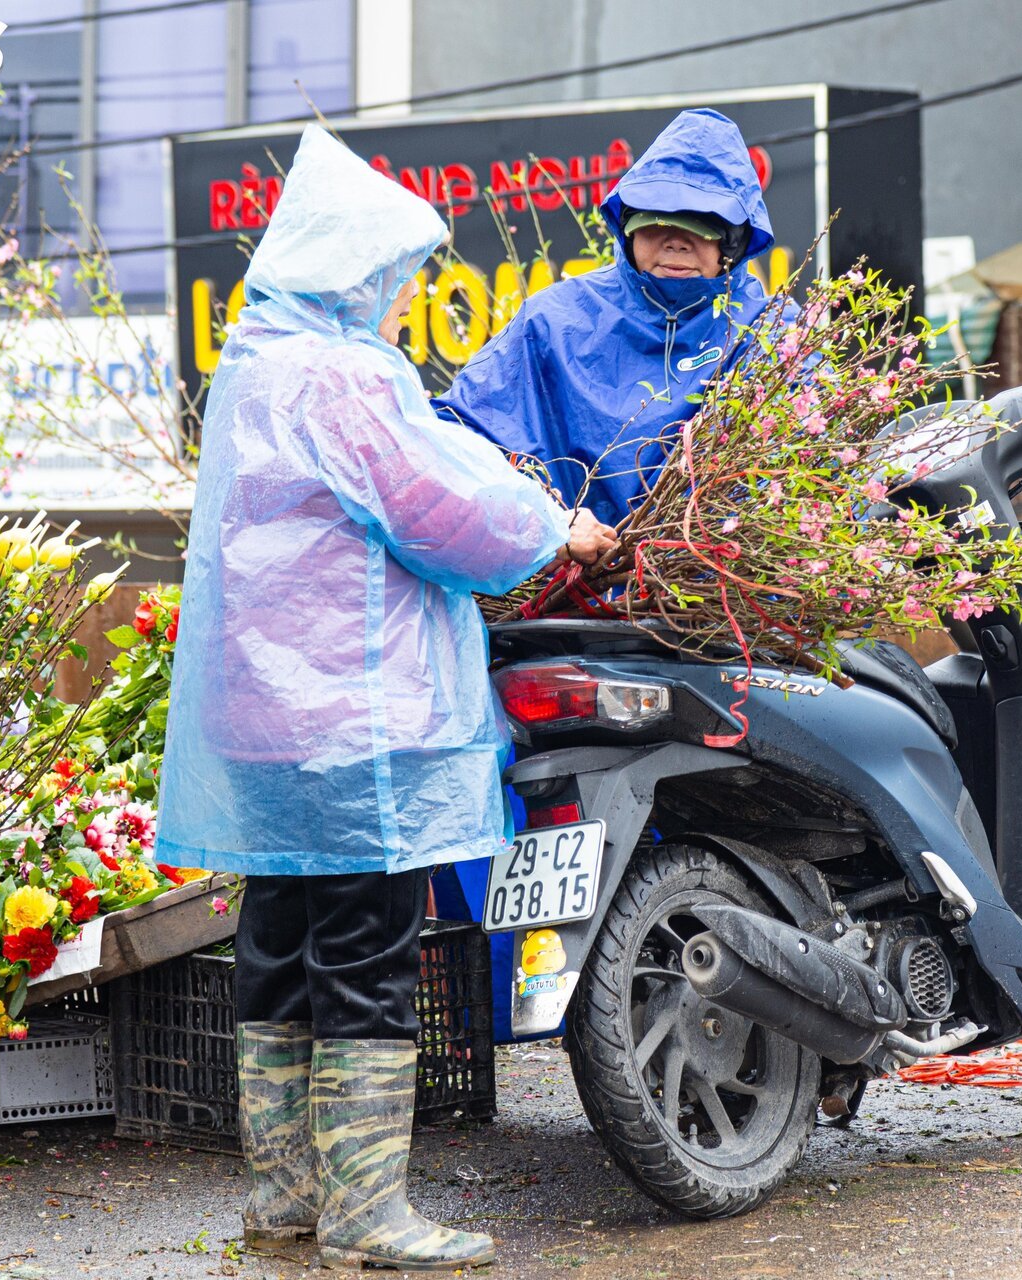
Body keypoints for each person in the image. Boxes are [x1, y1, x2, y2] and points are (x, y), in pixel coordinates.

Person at [155, 125, 617, 1272]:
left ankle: (285, 1199)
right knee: (365, 950)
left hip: (260, 721)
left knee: (279, 942)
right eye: (397, 276)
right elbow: (444, 509)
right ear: (353, 270)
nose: (403, 298)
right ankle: (368, 1213)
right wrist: (559, 525)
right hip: (357, 724)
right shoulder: (346, 374)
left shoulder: (251, 366)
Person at [433, 108, 784, 528]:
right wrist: (548, 525)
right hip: (569, 587)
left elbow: (817, 477)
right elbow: (458, 440)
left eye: (701, 225)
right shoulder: (552, 321)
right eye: (655, 221)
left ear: (736, 240)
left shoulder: (774, 334)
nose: (675, 243)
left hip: (720, 586)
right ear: (627, 230)